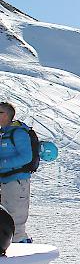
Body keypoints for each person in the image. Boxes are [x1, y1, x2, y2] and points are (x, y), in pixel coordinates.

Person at [0, 102, 34, 243]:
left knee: (16, 217)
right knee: (6, 216)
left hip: (17, 181)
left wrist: (2, 164)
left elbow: (26, 157)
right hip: (5, 181)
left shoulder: (18, 133)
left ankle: (22, 247)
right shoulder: (4, 134)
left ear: (8, 115)